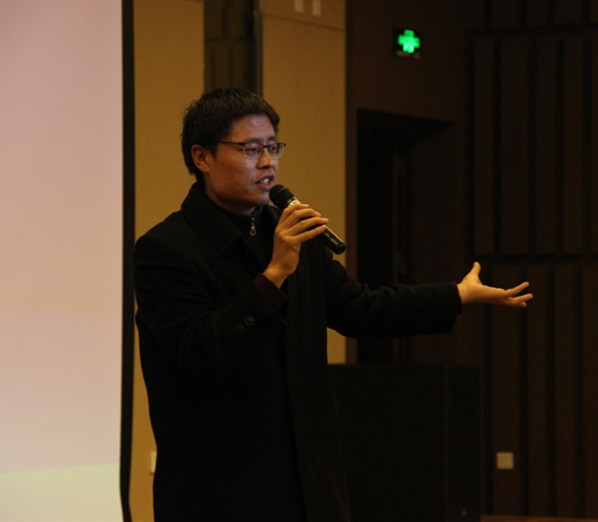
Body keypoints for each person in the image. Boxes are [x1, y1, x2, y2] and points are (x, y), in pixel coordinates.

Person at [133, 87, 533, 521]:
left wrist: (455, 294)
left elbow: (361, 309)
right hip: (219, 490)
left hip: (308, 485)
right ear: (202, 157)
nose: (267, 162)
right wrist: (274, 275)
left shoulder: (293, 236)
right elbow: (201, 352)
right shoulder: (167, 250)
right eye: (250, 149)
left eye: (273, 147)